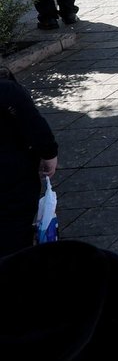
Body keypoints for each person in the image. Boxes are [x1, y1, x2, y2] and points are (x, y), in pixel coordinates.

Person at [0, 67, 58, 257]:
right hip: (12, 178)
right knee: (13, 232)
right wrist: (49, 154)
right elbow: (34, 125)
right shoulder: (7, 90)